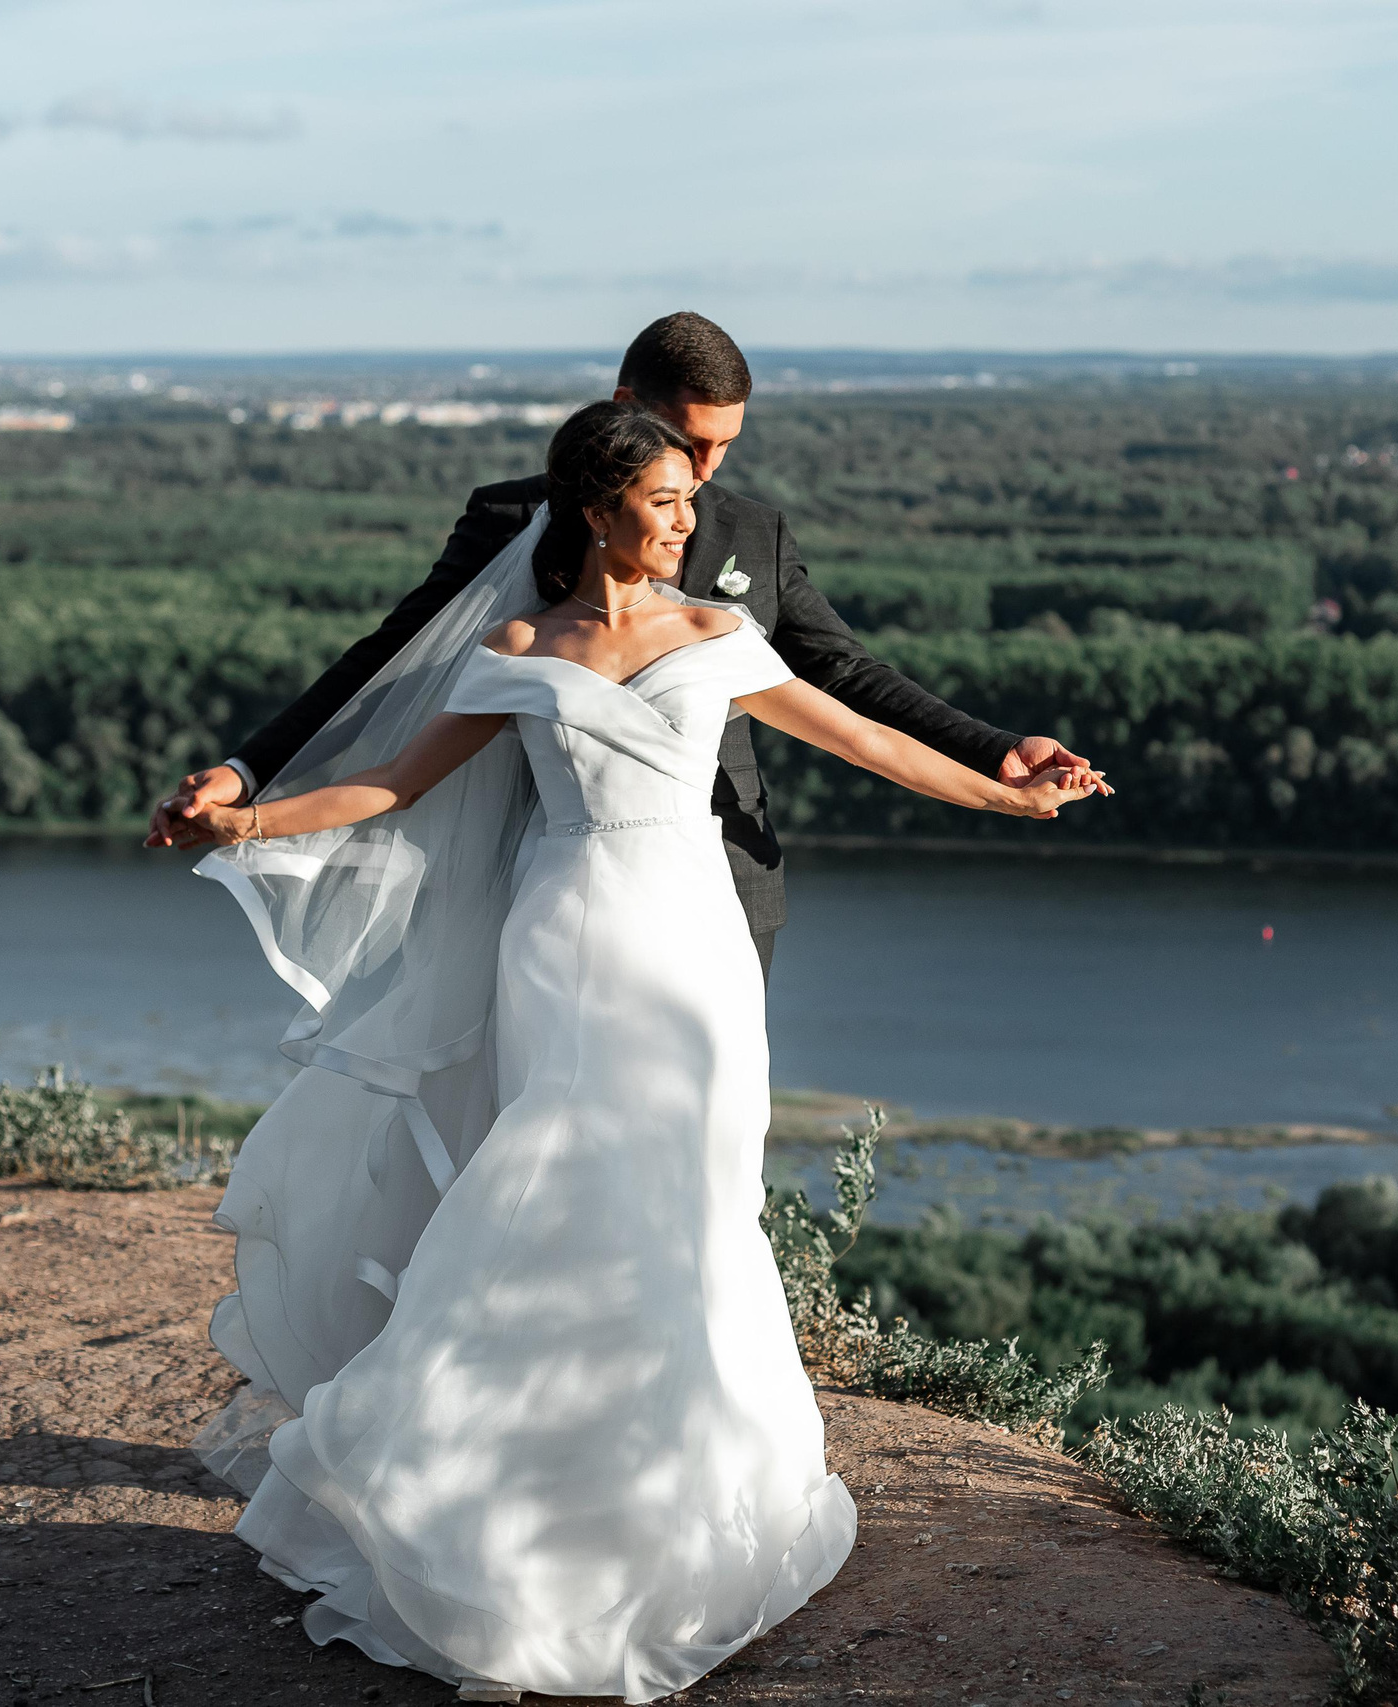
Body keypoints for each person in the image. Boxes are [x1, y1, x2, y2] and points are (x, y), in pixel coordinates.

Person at [159, 402, 1105, 1703]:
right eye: (664, 498)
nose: (685, 518)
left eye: (686, 499)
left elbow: (865, 735)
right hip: (564, 938)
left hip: (694, 945)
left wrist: (1007, 788)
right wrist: (248, 821)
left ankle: (674, 1495)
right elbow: (392, 784)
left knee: (695, 1198)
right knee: (549, 1188)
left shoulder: (716, 633)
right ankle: (498, 1503)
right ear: (598, 508)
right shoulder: (514, 647)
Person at [149, 310, 1097, 972]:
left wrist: (995, 752)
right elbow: (392, 656)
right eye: (688, 440)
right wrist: (247, 773)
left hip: (724, 877)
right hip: (544, 873)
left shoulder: (752, 533)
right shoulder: (507, 524)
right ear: (624, 403)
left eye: (725, 446)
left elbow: (847, 680)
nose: (705, 474)